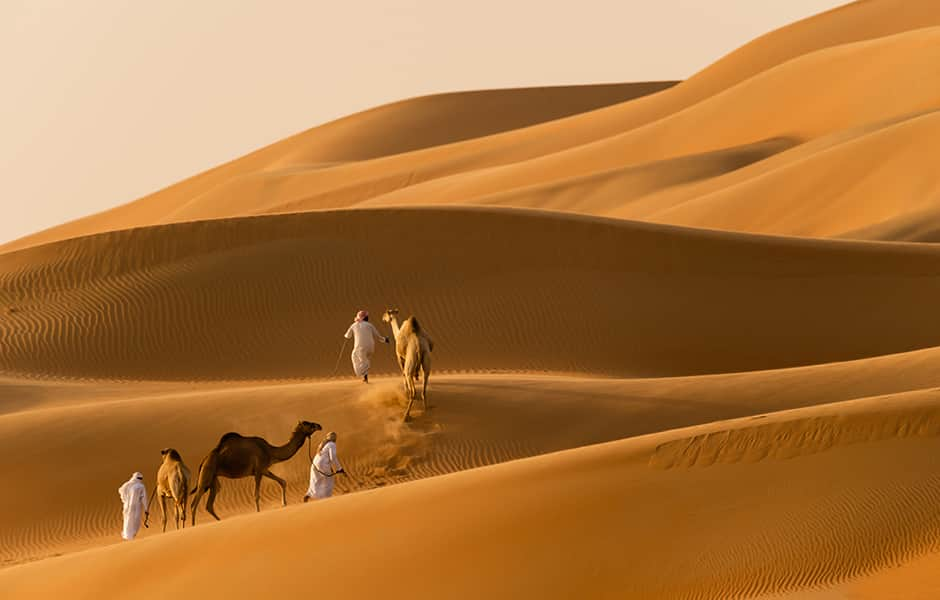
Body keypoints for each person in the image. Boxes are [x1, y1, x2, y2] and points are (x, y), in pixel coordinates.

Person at [344, 310, 389, 383]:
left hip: (360, 348)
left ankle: (364, 377)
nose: (368, 318)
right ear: (364, 318)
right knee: (363, 359)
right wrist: (384, 340)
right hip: (371, 347)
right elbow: (377, 335)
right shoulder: (370, 325)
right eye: (367, 317)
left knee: (355, 356)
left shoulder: (353, 325)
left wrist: (346, 336)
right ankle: (365, 376)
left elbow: (348, 335)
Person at [303, 431, 345, 501]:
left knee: (315, 481)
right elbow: (333, 457)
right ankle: (326, 499)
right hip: (323, 464)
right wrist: (339, 469)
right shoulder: (332, 444)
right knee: (329, 481)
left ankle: (308, 494)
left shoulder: (323, 444)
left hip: (314, 464)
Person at [118, 471, 149, 540]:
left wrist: (125, 500)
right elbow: (144, 498)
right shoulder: (141, 486)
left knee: (127, 520)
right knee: (135, 521)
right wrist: (146, 509)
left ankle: (127, 536)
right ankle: (130, 537)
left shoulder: (127, 484)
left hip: (126, 506)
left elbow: (120, 490)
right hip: (136, 507)